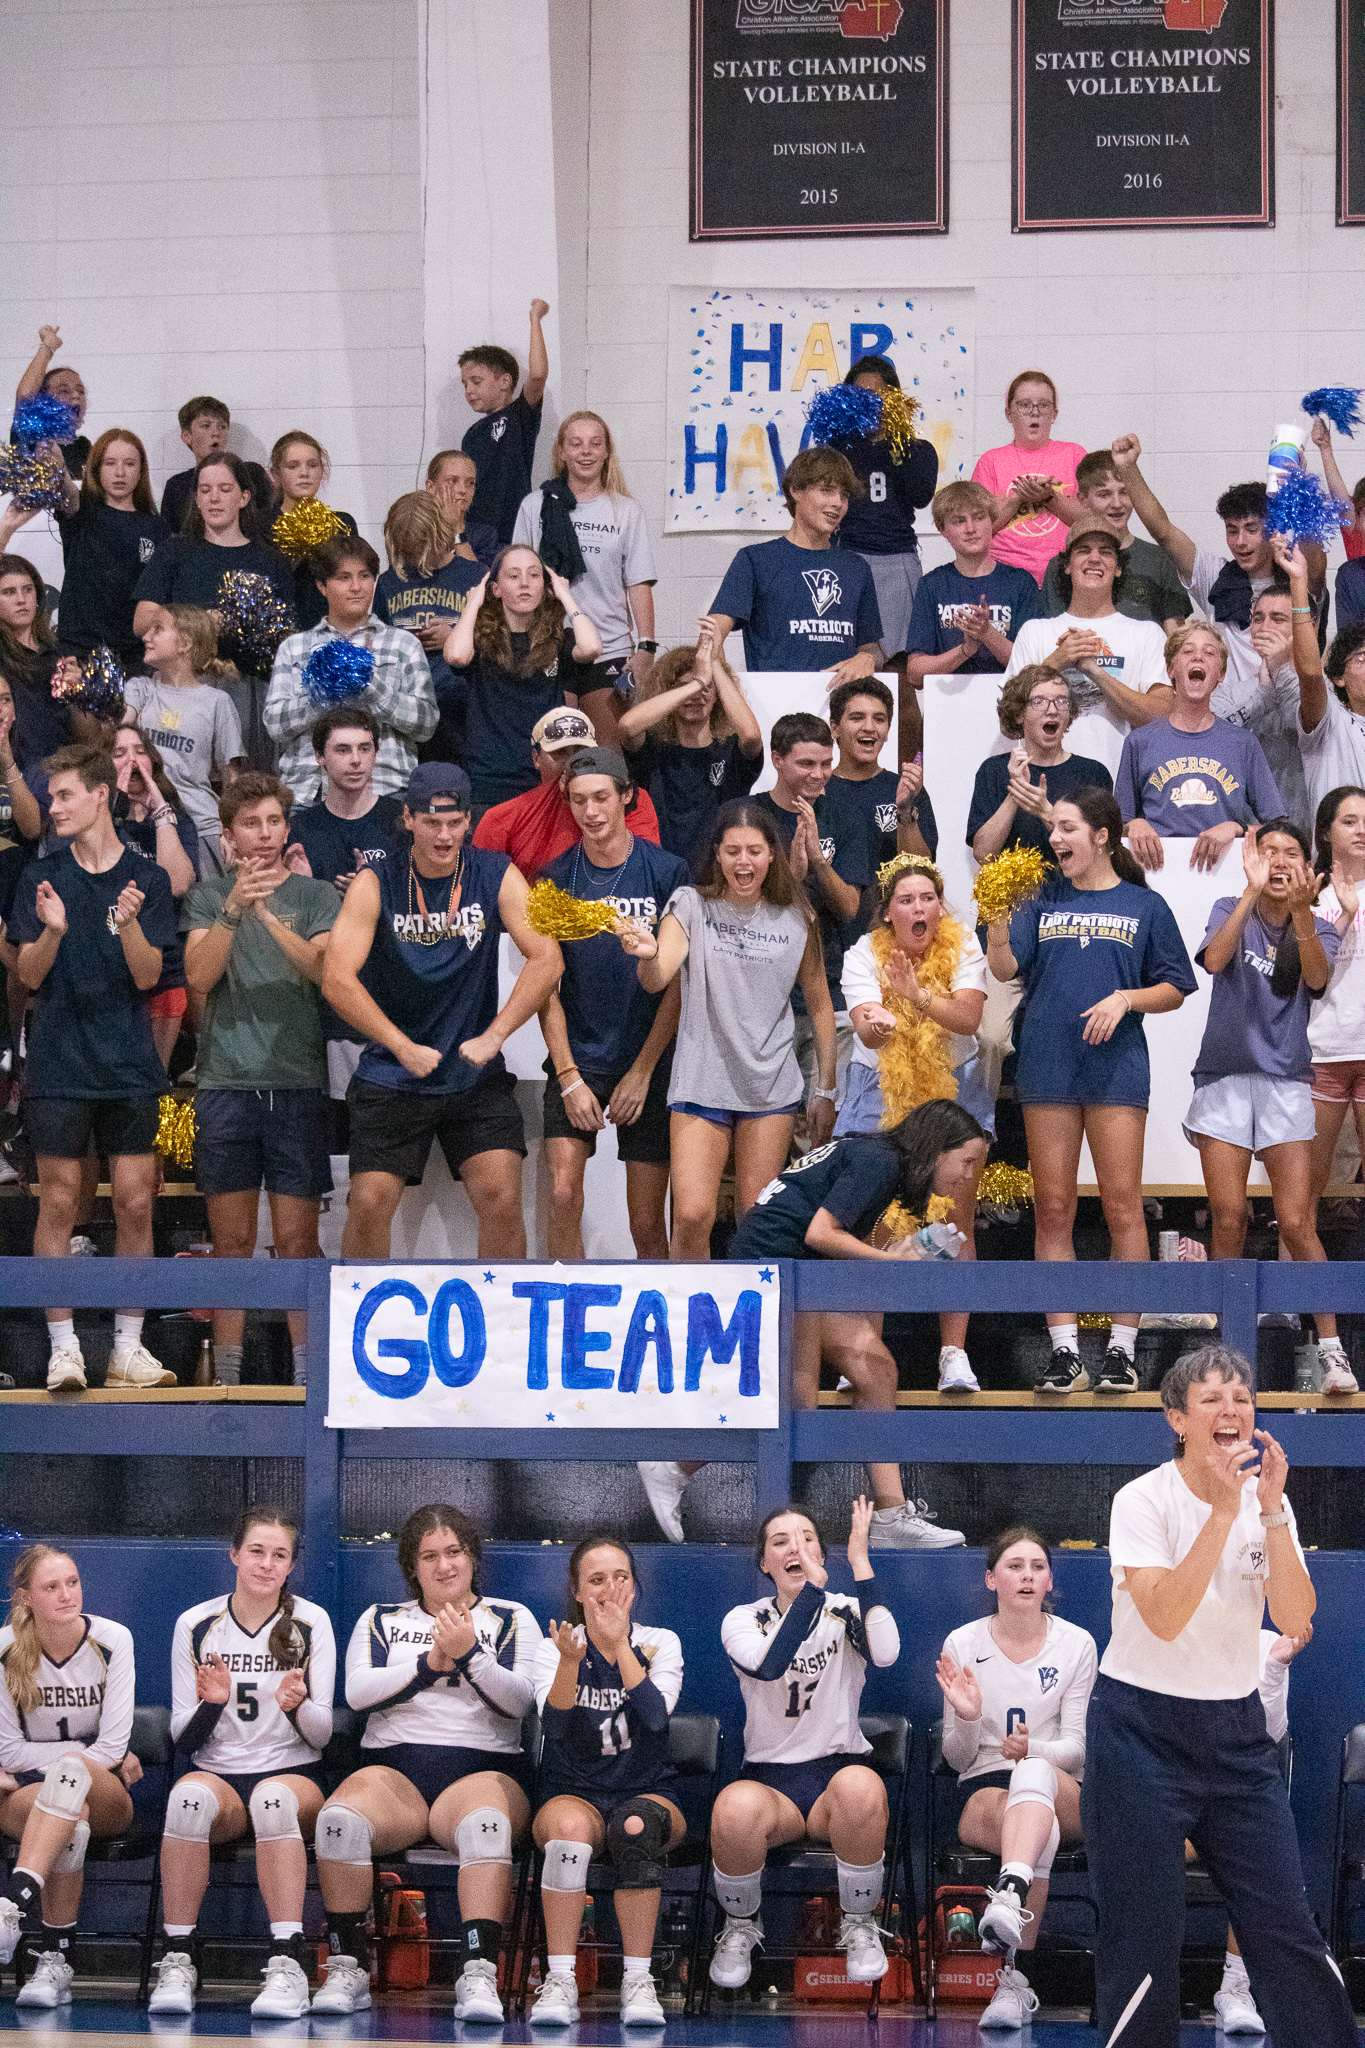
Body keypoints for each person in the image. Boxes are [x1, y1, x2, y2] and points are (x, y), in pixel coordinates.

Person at [1081, 1345, 1357, 2048]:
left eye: (1241, 1397)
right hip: (1138, 1731)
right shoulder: (1140, 1500)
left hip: (1236, 1733)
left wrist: (1266, 1514)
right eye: (1211, 1399)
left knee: (1283, 1925)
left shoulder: (1271, 1501)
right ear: (1177, 1418)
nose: (1231, 1409)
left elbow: (1295, 1617)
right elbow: (1166, 1618)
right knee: (1142, 1932)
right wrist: (1220, 1511)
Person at [985, 787, 1196, 1396]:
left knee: (1124, 1206)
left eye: (1067, 827)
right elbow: (1004, 969)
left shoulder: (1143, 905)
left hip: (1116, 1070)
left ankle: (1123, 1352)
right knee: (1053, 1208)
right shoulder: (1038, 897)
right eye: (1052, 828)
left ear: (1102, 835)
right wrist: (999, 916)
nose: (1055, 838)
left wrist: (1126, 998)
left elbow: (1176, 986)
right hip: (1048, 1066)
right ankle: (1065, 1351)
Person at [320, 761, 562, 1260]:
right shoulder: (377, 880)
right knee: (367, 1201)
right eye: (432, 823)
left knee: (501, 1197)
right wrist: (400, 1045)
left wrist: (496, 1036)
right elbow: (336, 979)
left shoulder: (494, 872)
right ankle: (363, 1332)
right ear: (408, 818)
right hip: (393, 1073)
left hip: (473, 1074)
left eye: (455, 823)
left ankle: (499, 1328)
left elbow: (548, 957)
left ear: (469, 821)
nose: (445, 835)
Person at [310, 1504, 542, 2022]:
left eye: (454, 1552)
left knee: (487, 1826)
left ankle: (478, 1971)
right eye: (429, 1556)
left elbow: (521, 1702)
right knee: (338, 1821)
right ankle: (348, 1964)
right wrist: (428, 1663)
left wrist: (471, 1655)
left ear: (472, 1558)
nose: (444, 1566)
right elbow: (358, 1693)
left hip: (485, 1769)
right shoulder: (382, 1618)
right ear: (412, 1566)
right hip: (396, 1773)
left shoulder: (509, 1617)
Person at [728, 1100, 982, 1549]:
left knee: (873, 1373)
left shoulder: (877, 1157)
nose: (967, 1176)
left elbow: (834, 1238)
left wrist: (895, 1253)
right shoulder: (879, 1161)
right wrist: (889, 1262)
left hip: (799, 1273)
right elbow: (820, 1234)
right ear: (937, 1150)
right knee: (799, 1401)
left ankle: (889, 1517)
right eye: (965, 1161)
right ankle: (679, 1468)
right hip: (773, 1272)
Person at [10, 744, 179, 1391]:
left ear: (100, 794)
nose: (53, 807)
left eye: (64, 795)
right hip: (58, 1061)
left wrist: (129, 925)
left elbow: (145, 976)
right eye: (51, 797)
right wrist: (51, 930)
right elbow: (25, 976)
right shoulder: (41, 877)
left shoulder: (148, 879)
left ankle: (127, 1350)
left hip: (130, 1065)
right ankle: (63, 1349)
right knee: (58, 1203)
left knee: (137, 1204)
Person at [625, 798, 837, 1260]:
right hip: (702, 1080)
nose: (744, 862)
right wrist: (646, 954)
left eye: (755, 851)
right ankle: (688, 1322)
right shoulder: (691, 903)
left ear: (771, 855)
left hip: (771, 1086)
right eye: (733, 851)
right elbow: (659, 975)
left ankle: (749, 1328)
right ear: (717, 856)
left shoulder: (797, 915)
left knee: (755, 1218)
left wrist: (826, 1088)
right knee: (692, 1215)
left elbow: (821, 1007)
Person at [183, 773, 340, 1389]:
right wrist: (231, 907)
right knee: (232, 1245)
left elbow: (320, 968)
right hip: (225, 1085)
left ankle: (308, 1383)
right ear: (228, 836)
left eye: (275, 820)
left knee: (299, 1243)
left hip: (297, 1084)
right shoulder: (206, 897)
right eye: (251, 823)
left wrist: (268, 912)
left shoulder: (315, 894)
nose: (266, 833)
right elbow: (197, 976)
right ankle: (225, 1383)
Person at [148, 1507, 336, 2020]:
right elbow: (182, 1741)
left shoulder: (310, 1621)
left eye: (280, 1555)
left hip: (293, 1772)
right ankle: (178, 1957)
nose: (267, 1564)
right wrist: (212, 1703)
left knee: (272, 1800)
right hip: (220, 1775)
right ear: (234, 1554)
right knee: (186, 1799)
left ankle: (287, 1963)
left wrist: (298, 1705)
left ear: (292, 1565)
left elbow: (322, 1736)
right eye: (256, 1551)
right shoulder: (197, 1623)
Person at [707, 1501, 899, 1992]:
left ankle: (857, 1922)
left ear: (822, 1551)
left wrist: (861, 1565)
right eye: (780, 1541)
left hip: (836, 1776)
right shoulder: (742, 1620)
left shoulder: (845, 1611)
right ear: (764, 1563)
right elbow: (768, 1666)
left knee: (862, 1788)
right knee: (731, 1809)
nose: (796, 1547)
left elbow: (886, 1653)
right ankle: (741, 1925)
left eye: (807, 1538)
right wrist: (813, 1592)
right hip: (773, 1784)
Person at [934, 1527, 1098, 2033]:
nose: (1027, 1575)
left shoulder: (1077, 1644)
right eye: (1014, 1565)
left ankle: (1009, 1900)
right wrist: (967, 1716)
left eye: (1037, 1566)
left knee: (1034, 1774)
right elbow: (958, 1758)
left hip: (1062, 1783)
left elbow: (1077, 1747)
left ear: (1049, 1581)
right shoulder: (963, 1642)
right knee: (1034, 1827)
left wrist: (1035, 1751)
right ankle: (1011, 1972)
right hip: (986, 1785)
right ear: (991, 1579)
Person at [838, 859, 990, 1390]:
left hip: (953, 1087)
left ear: (940, 906)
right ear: (888, 913)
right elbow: (868, 1028)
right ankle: (863, 1353)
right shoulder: (862, 954)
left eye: (927, 897)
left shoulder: (965, 945)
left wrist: (914, 996)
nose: (918, 907)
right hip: (881, 1088)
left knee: (955, 1221)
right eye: (906, 900)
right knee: (874, 1218)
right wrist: (880, 1022)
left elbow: (968, 1018)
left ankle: (954, 1354)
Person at [1112, 437, 1314, 824]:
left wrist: (1297, 487)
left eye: (1252, 529)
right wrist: (1127, 469)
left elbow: (1315, 558)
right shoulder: (1217, 577)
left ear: (1273, 529)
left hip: (1290, 728)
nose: (1240, 541)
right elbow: (1165, 533)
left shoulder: (1299, 579)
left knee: (1287, 830)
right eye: (1231, 530)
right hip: (1228, 727)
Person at [1184, 820, 1342, 1312]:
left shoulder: (1322, 928)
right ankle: (1222, 1333)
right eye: (1268, 851)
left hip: (1286, 1080)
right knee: (1228, 1216)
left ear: (1308, 868)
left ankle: (1330, 1348)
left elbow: (1316, 977)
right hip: (1223, 1077)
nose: (1278, 861)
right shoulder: (1230, 909)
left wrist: (1301, 916)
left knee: (1296, 1222)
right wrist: (1249, 894)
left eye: (1291, 853)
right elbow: (1213, 961)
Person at [538, 750, 688, 1262]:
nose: (591, 810)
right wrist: (569, 1077)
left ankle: (659, 1330)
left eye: (602, 797)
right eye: (578, 800)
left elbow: (677, 984)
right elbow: (545, 987)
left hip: (648, 1060)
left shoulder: (668, 870)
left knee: (647, 1223)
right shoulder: (553, 878)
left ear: (627, 796)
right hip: (579, 1058)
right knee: (561, 1196)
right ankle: (567, 1321)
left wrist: (644, 1071)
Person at [528, 1537, 684, 2028]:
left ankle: (638, 1981)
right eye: (597, 1580)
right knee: (568, 1835)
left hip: (646, 1790)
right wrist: (571, 1662)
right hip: (573, 1791)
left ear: (634, 1586)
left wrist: (619, 1646)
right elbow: (551, 1729)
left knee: (635, 1827)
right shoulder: (553, 1645)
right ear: (577, 1590)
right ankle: (559, 1979)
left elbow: (657, 1720)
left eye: (621, 1577)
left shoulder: (662, 1641)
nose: (610, 1588)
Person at [0, 1545, 139, 2009]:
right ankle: (54, 1963)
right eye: (51, 1587)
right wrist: (77, 1752)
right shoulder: (3, 1650)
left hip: (106, 1793)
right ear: (24, 1598)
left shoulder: (114, 1639)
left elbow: (112, 1749)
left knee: (73, 1774)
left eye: (73, 1582)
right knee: (69, 1822)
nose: (66, 1594)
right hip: (37, 1796)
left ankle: (12, 1906)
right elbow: (6, 1748)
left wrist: (73, 1757)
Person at [131, 451, 296, 769]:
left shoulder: (269, 559)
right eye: (205, 490)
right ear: (196, 498)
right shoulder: (176, 551)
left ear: (244, 496)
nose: (214, 498)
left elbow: (287, 636)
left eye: (224, 489)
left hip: (248, 688)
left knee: (246, 785)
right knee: (184, 785)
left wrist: (256, 624)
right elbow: (141, 622)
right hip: (184, 686)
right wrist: (198, 622)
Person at [512, 409, 657, 751]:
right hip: (547, 645)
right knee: (556, 757)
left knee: (606, 759)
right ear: (561, 452)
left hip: (609, 648)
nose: (586, 451)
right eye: (576, 444)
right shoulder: (536, 507)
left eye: (595, 443)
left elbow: (639, 583)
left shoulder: (626, 510)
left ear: (607, 452)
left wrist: (646, 645)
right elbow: (515, 575)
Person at [753, 712, 874, 1106]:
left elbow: (852, 908)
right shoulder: (747, 817)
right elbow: (735, 907)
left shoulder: (848, 817)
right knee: (768, 1119)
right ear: (777, 759)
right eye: (806, 763)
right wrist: (790, 874)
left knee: (823, 1119)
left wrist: (819, 862)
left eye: (825, 763)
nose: (819, 774)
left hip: (831, 991)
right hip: (763, 998)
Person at [265, 533, 436, 803]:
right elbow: (275, 726)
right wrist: (321, 694)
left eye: (365, 576)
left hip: (387, 789)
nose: (356, 587)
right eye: (344, 578)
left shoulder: (403, 644)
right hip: (308, 792)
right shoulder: (295, 647)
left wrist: (372, 686)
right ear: (322, 585)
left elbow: (426, 725)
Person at [1202, 1625, 1313, 2034]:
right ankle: (1142, 1987)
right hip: (1172, 1788)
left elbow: (1270, 1733)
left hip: (1235, 1789)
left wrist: (1273, 1669)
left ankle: (1235, 1989)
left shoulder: (1268, 1642)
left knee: (1248, 1844)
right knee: (1139, 1845)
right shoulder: (1171, 1632)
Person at [1115, 622, 1284, 873]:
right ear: (1170, 669)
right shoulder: (1140, 741)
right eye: (1187, 651)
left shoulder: (1243, 743)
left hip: (1228, 873)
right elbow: (1116, 824)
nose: (1198, 657)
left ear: (1221, 674)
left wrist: (1237, 828)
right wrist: (1133, 825)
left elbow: (1277, 830)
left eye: (1209, 653)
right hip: (1157, 873)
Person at [442, 547, 600, 815]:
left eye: (534, 575)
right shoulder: (479, 639)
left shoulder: (558, 639)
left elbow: (592, 648)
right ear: (496, 589)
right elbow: (456, 656)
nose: (525, 583)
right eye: (513, 576)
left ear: (544, 586)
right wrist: (473, 603)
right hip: (488, 779)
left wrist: (565, 595)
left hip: (543, 776)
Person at [706, 447, 883, 681]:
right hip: (776, 708)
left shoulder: (856, 567)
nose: (838, 503)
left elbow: (872, 649)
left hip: (840, 707)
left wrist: (868, 659)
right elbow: (712, 634)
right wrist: (728, 690)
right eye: (827, 491)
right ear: (796, 491)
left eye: (845, 495)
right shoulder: (756, 560)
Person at [1303, 784, 1365, 1393]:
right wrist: (1338, 910)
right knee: (1306, 1203)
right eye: (1349, 820)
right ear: (1327, 831)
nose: (1360, 830)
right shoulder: (1310, 897)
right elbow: (1308, 982)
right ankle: (1322, 1340)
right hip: (1322, 1053)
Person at [616, 621, 762, 863]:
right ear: (668, 693)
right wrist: (697, 682)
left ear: (719, 696)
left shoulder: (731, 750)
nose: (697, 695)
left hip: (718, 874)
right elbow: (627, 726)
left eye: (708, 688)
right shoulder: (653, 748)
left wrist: (714, 663)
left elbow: (752, 735)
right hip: (661, 869)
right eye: (683, 687)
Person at [1002, 528, 1172, 736]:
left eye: (1106, 552)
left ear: (1118, 568)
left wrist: (1093, 670)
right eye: (1083, 550)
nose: (1094, 558)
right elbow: (1008, 725)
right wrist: (1055, 662)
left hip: (1121, 767)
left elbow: (1163, 717)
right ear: (1067, 565)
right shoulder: (1035, 631)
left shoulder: (1147, 633)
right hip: (1047, 767)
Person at [123, 605, 245, 875]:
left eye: (158, 629)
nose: (146, 636)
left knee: (203, 912)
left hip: (202, 824)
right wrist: (86, 691)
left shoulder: (217, 701)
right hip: (145, 823)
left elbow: (232, 779)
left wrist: (230, 830)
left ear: (185, 643)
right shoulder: (140, 687)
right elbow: (119, 728)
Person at [833, 354, 940, 661]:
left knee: (900, 664)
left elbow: (920, 495)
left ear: (893, 399)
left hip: (897, 558)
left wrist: (893, 441)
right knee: (850, 660)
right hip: (848, 557)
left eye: (878, 396)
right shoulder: (837, 449)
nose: (869, 403)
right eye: (859, 396)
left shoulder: (917, 449)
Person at [473, 706, 662, 878]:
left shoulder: (628, 798)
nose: (571, 761)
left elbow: (643, 872)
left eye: (581, 750)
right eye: (560, 752)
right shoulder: (501, 818)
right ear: (536, 758)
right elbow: (480, 888)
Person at [110, 722, 199, 1067]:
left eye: (139, 751)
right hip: (109, 964)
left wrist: (161, 812)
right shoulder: (95, 821)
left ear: (153, 764)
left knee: (153, 1081)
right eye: (119, 753)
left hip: (166, 966)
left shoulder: (178, 822)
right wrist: (115, 805)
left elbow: (176, 884)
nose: (131, 760)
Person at [968, 665, 1113, 871]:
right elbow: (984, 854)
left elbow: (1099, 851)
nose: (1052, 710)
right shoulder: (993, 771)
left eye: (1062, 701)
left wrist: (1046, 812)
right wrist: (1016, 791)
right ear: (1020, 714)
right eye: (1039, 702)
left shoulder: (1093, 773)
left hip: (1076, 896)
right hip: (1016, 898)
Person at [373, 492, 484, 763]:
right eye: (408, 550)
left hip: (463, 705)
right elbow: (377, 640)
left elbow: (499, 643)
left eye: (421, 547)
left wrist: (454, 635)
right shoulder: (390, 581)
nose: (416, 557)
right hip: (408, 706)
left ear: (439, 535)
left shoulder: (475, 575)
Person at [904, 482, 1042, 689]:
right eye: (959, 521)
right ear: (943, 530)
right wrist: (965, 650)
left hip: (1009, 702)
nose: (971, 529)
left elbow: (1035, 667)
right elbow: (915, 674)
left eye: (979, 517)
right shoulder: (932, 585)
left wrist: (987, 634)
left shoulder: (1020, 582)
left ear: (992, 521)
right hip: (949, 703)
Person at [50, 428, 168, 668]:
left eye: (130, 464)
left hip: (136, 656)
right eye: (110, 463)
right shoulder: (81, 512)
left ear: (141, 471)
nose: (120, 473)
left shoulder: (157, 527)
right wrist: (57, 465)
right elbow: (67, 491)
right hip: (80, 651)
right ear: (96, 469)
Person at [1039, 450, 1192, 631]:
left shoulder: (1158, 559)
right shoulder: (1062, 565)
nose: (1117, 503)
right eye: (1104, 495)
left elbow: (1175, 641)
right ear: (1083, 500)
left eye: (1125, 492)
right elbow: (1052, 636)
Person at [1278, 538, 1365, 821]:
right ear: (1338, 677)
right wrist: (1299, 583)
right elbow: (1311, 672)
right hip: (1331, 863)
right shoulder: (1331, 722)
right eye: (1363, 658)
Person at [970, 371, 1085, 585]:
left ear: (1054, 413)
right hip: (1004, 577)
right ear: (1008, 413)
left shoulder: (1074, 455)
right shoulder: (990, 461)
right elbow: (977, 530)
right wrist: (1017, 498)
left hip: (1064, 575)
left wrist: (1051, 498)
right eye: (1024, 405)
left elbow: (1091, 520)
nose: (1035, 413)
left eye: (1043, 405)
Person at [460, 299, 552, 544]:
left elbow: (539, 374)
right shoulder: (472, 434)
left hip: (510, 532)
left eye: (476, 381)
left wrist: (535, 319)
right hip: (474, 532)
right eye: (465, 384)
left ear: (504, 381)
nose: (469, 389)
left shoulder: (519, 415)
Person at [828, 675, 937, 866]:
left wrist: (904, 811)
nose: (869, 727)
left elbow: (922, 869)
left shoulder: (907, 790)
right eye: (857, 718)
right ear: (835, 728)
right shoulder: (817, 789)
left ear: (887, 730)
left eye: (879, 719)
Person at [268, 431, 360, 631]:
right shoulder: (262, 524)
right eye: (293, 466)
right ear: (276, 475)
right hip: (276, 634)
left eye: (312, 465)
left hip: (331, 632)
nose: (304, 473)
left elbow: (354, 583)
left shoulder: (342, 523)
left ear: (323, 472)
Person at [160, 398, 272, 533]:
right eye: (206, 426)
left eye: (222, 426)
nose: (216, 433)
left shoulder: (251, 474)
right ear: (187, 436)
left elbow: (267, 523)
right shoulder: (177, 485)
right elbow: (169, 536)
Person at [13, 325, 90, 479]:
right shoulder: (34, 438)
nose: (76, 396)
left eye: (80, 391)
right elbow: (25, 396)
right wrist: (48, 347)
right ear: (43, 402)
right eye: (64, 391)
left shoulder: (83, 446)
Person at [424, 449, 500, 567]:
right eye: (453, 481)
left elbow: (479, 580)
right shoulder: (415, 530)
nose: (463, 490)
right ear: (430, 487)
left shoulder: (485, 536)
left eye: (470, 483)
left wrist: (457, 531)